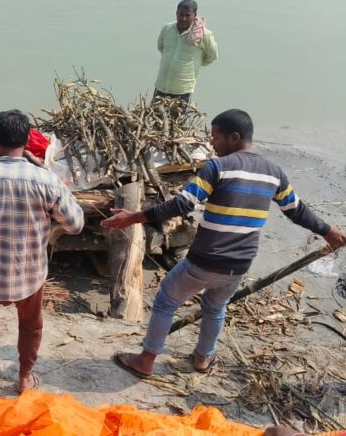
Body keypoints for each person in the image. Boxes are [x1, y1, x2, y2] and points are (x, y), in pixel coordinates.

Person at [105, 109, 345, 378]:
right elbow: (296, 210)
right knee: (215, 306)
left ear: (234, 137)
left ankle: (146, 360)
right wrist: (327, 231)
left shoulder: (218, 168)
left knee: (165, 300)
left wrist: (134, 217)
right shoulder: (274, 173)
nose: (212, 144)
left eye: (215, 138)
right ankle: (202, 359)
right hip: (239, 264)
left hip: (206, 259)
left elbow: (183, 203)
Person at [0, 110, 84, 394]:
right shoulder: (47, 181)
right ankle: (24, 378)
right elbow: (75, 224)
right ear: (26, 142)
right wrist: (63, 190)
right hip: (29, 275)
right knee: (31, 327)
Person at [153, 0, 217, 103]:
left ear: (194, 15)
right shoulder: (167, 29)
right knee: (155, 118)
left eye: (188, 15)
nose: (183, 18)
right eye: (181, 14)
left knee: (177, 119)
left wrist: (195, 63)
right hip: (161, 87)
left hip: (182, 90)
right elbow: (161, 47)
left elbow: (212, 56)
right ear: (176, 13)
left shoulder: (203, 35)